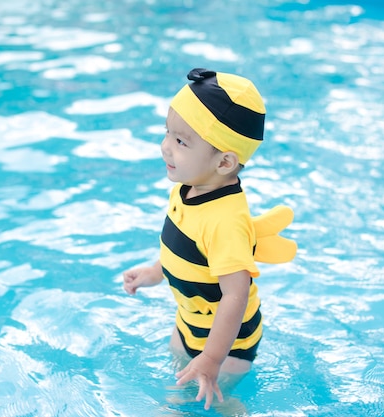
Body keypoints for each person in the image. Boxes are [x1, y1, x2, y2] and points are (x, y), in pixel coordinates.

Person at [122, 68, 296, 410]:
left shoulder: (226, 222)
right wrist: (155, 272)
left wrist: (213, 360)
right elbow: (186, 245)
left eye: (180, 141)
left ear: (225, 161)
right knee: (177, 388)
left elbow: (236, 294)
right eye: (167, 134)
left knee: (208, 403)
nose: (165, 147)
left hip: (229, 343)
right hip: (190, 321)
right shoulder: (186, 188)